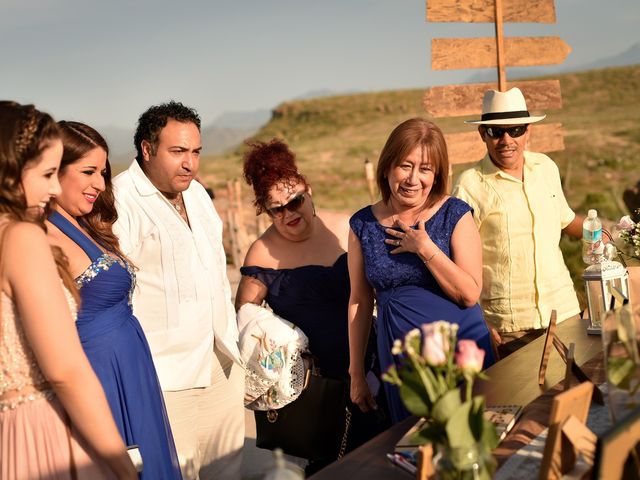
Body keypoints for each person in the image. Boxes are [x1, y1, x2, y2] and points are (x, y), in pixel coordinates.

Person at [0, 101, 136, 479]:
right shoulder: (21, 237)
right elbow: (66, 371)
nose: (55, 187)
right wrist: (122, 466)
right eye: (47, 174)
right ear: (12, 170)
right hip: (41, 433)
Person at [235, 139, 389, 474]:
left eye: (296, 201)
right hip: (315, 390)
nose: (289, 213)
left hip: (372, 364)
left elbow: (384, 286)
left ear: (309, 189)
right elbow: (247, 323)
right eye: (277, 208)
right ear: (264, 208)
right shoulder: (261, 254)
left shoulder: (346, 228)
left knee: (383, 460)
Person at [112, 101, 243, 480]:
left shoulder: (198, 194)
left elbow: (217, 273)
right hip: (166, 375)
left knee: (228, 472)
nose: (190, 163)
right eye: (178, 152)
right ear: (147, 149)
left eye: (196, 152)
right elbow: (116, 292)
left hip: (220, 360)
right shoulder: (122, 200)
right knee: (176, 473)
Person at [46, 121, 182, 479]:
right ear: (52, 170)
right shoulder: (43, 234)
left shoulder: (83, 222)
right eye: (88, 171)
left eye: (103, 172)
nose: (99, 184)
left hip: (131, 365)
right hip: (100, 371)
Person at [348, 118, 495, 424]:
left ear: (436, 174)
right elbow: (360, 301)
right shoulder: (362, 224)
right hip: (401, 361)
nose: (414, 178)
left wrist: (424, 247)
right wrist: (356, 372)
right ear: (387, 167)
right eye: (405, 165)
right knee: (415, 455)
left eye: (425, 169)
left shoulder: (454, 214)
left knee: (468, 445)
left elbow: (469, 294)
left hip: (460, 354)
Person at [452, 88, 582, 358]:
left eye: (516, 130)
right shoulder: (470, 185)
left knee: (576, 397)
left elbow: (565, 219)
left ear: (528, 131)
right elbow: (456, 263)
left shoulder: (546, 168)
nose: (506, 140)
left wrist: (612, 235)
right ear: (482, 134)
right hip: (510, 327)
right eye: (496, 132)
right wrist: (477, 321)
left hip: (566, 312)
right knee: (523, 401)